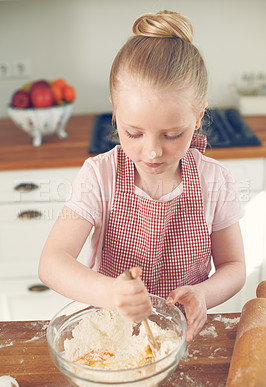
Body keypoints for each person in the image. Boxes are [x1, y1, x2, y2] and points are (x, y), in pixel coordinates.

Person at [39, 10, 246, 341]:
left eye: (172, 134)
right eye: (133, 132)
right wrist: (112, 294)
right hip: (110, 336)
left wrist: (204, 294)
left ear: (198, 117)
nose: (152, 152)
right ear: (115, 111)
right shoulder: (100, 175)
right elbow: (52, 263)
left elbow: (234, 266)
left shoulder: (214, 181)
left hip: (184, 336)